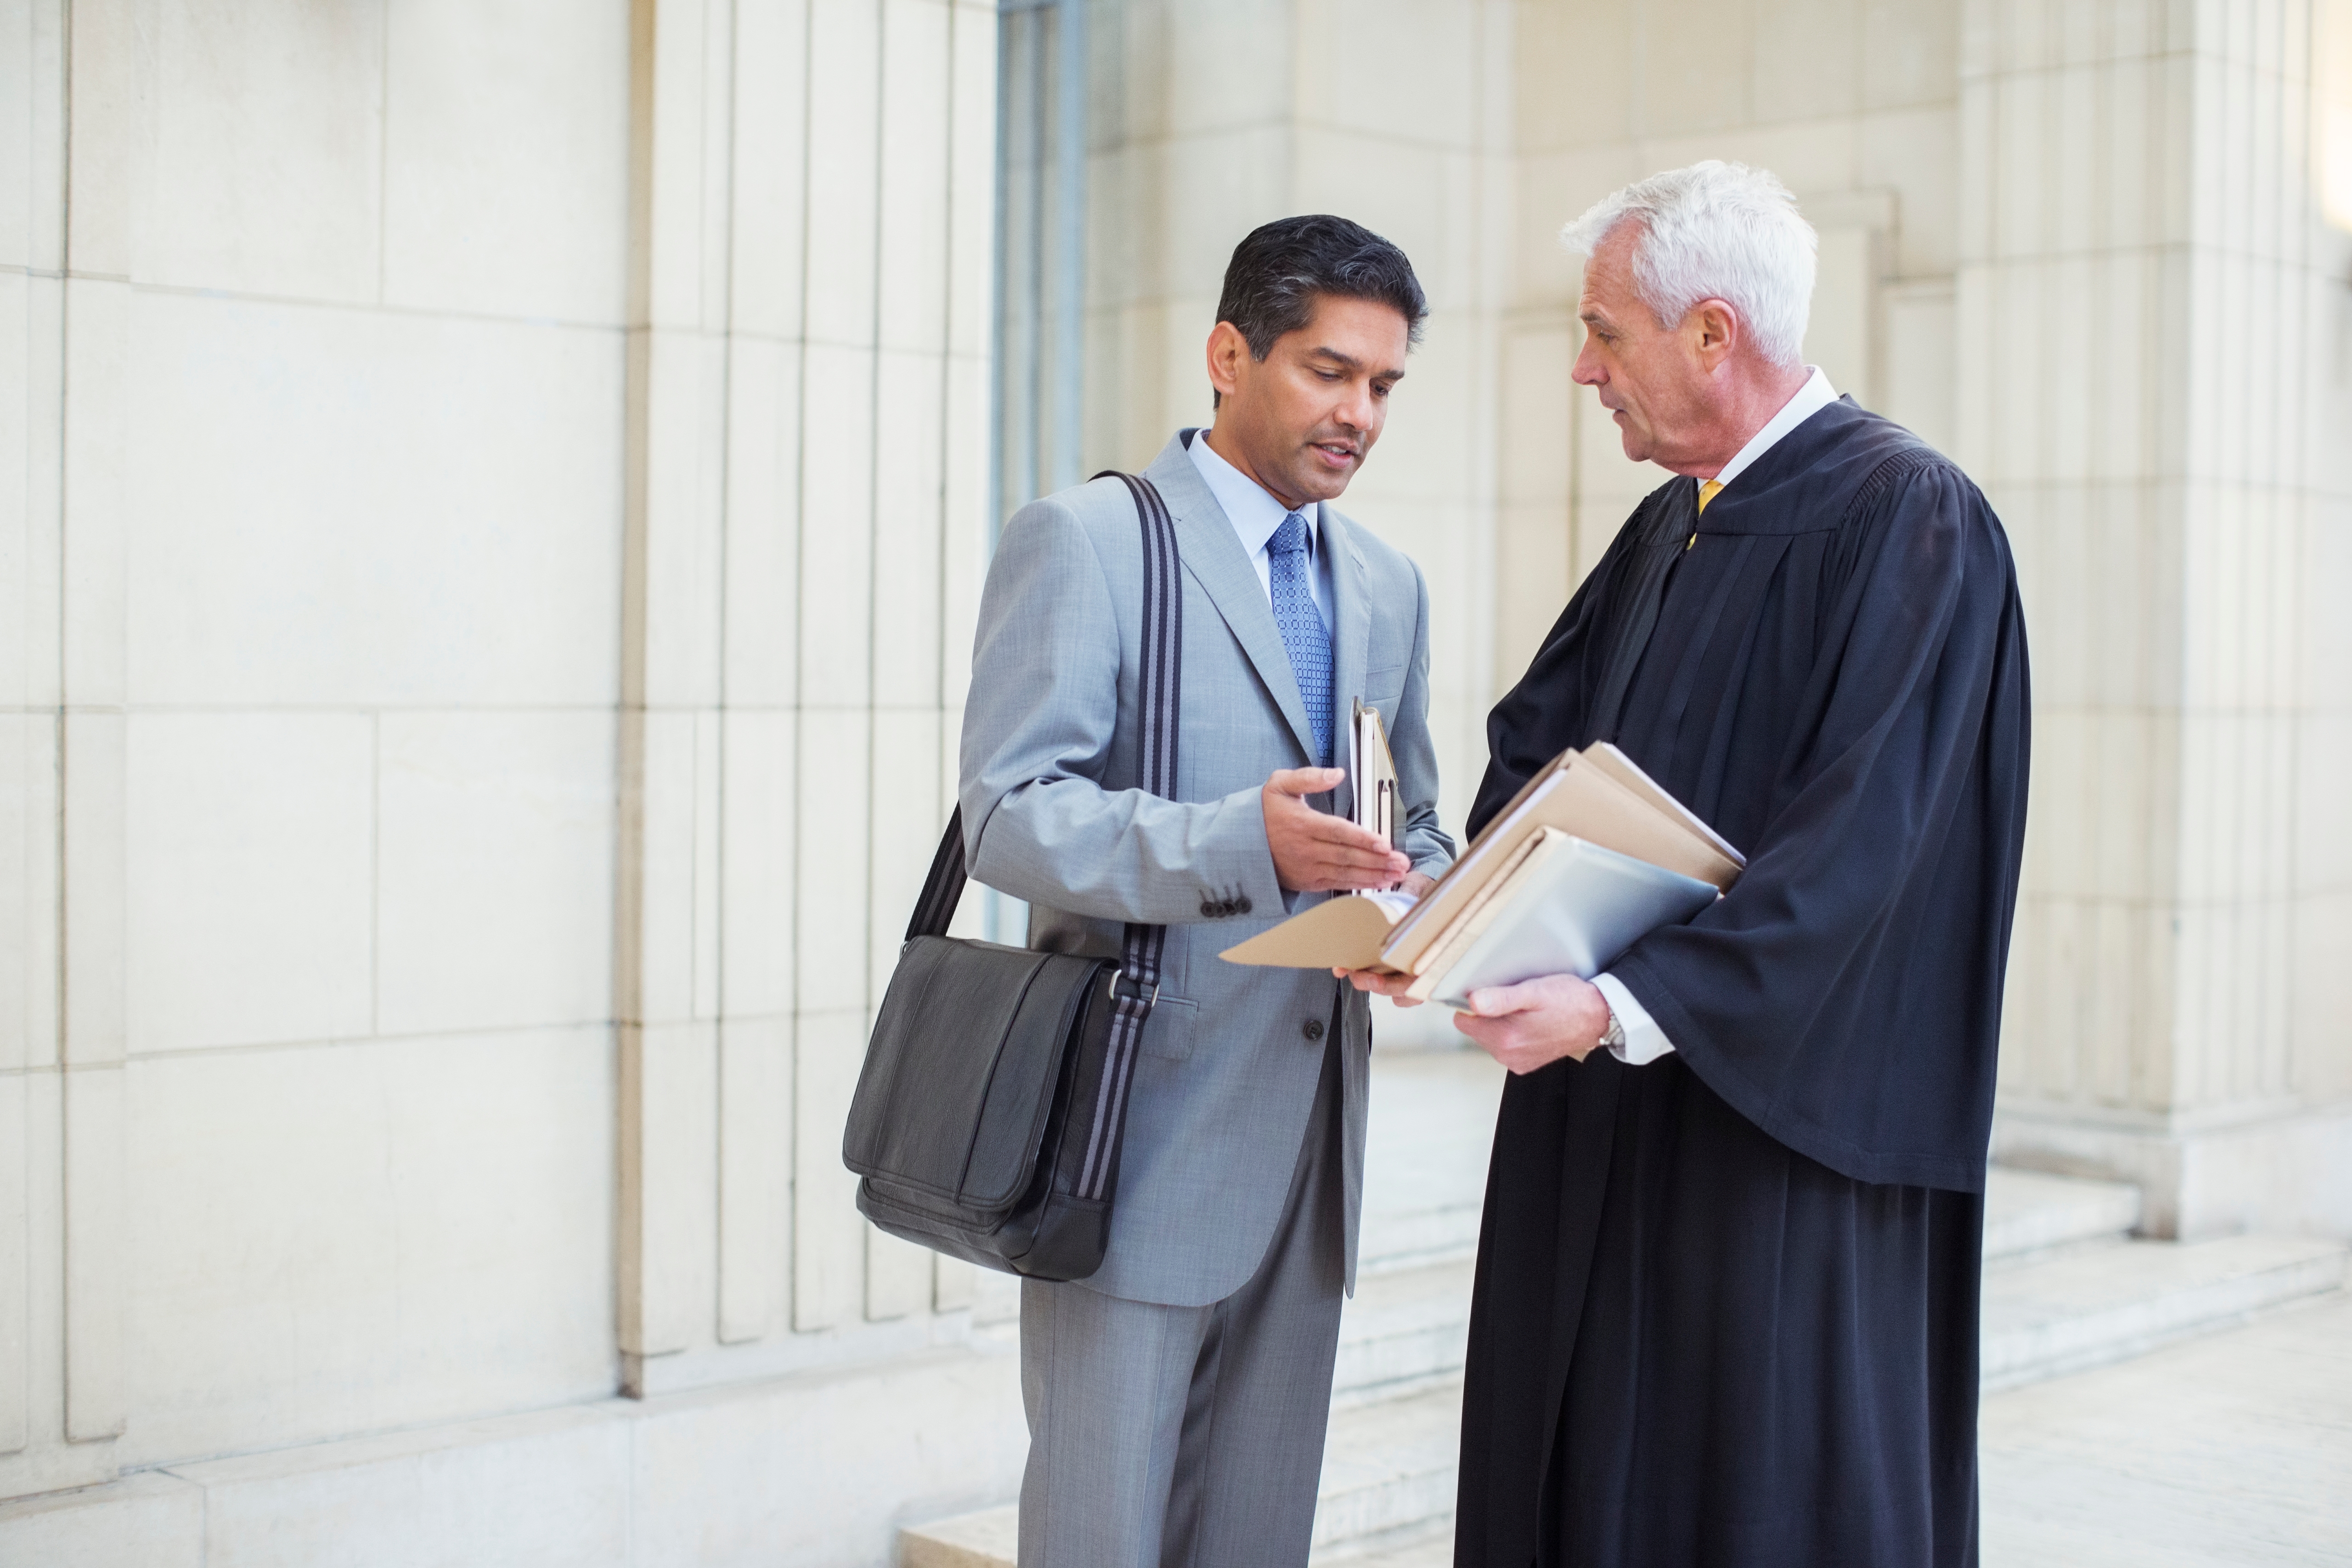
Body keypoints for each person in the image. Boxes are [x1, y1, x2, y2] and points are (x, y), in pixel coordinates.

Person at [1347, 162, 2030, 1566]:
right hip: (1606, 1106)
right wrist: (1440, 915)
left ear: (1710, 334)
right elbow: (1539, 753)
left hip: (1772, 1128)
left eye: (1603, 332)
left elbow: (1869, 843)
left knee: (1741, 1488)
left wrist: (1623, 1006)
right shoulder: (1673, 519)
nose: (1580, 371)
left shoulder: (1910, 519)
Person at [962, 214, 1456, 1568]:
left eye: (1383, 386)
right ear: (1227, 354)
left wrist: (1446, 905)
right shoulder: (1088, 541)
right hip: (1136, 1130)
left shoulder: (1386, 583)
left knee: (1254, 1537)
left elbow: (1408, 811)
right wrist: (1243, 847)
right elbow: (1008, 814)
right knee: (1100, 1533)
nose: (1357, 413)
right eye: (1326, 370)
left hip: (1311, 1147)